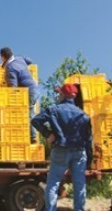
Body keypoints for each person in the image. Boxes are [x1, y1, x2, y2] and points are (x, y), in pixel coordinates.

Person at [31, 83, 92, 211]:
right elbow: (88, 138)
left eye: (59, 93)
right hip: (79, 152)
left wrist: (48, 134)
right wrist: (89, 159)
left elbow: (35, 121)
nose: (58, 96)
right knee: (79, 185)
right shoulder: (83, 115)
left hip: (61, 150)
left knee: (53, 184)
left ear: (63, 95)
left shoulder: (54, 109)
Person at [0, 47, 41, 143]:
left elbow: (13, 88)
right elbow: (30, 60)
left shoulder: (10, 68)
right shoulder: (19, 59)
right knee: (28, 112)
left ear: (2, 57)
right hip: (35, 88)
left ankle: (32, 137)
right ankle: (30, 136)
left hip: (29, 92)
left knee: (28, 113)